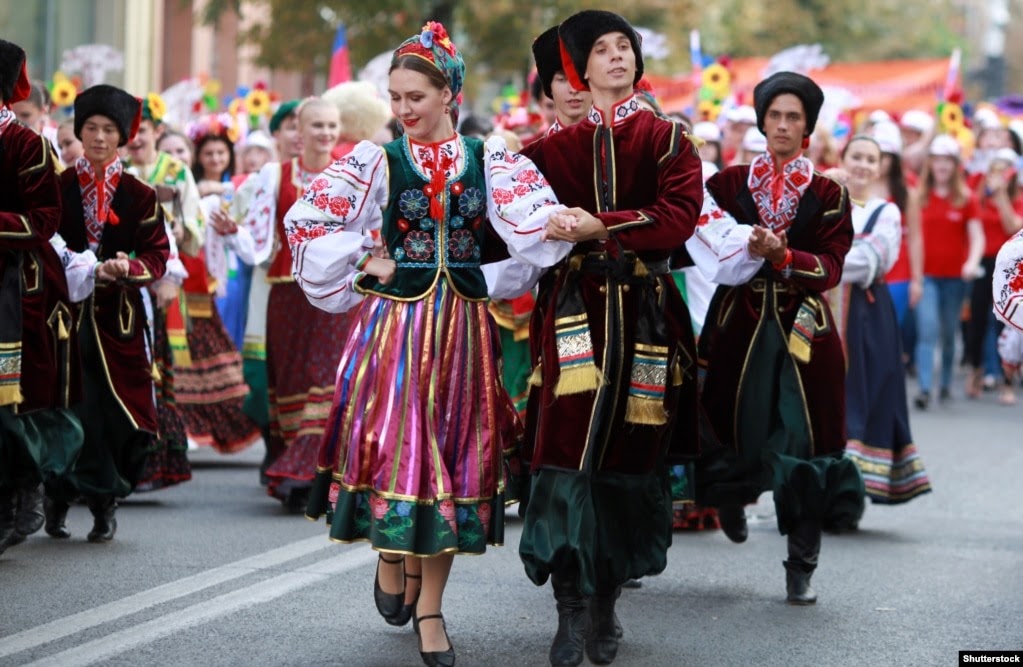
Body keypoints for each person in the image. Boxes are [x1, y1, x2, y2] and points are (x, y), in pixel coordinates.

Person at [287, 21, 570, 667]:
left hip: (464, 333)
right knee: (396, 454)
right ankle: (392, 550)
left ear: (449, 94)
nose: (403, 109)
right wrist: (367, 257)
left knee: (452, 460)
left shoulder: (489, 158)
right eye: (396, 96)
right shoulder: (375, 160)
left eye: (415, 95)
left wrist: (565, 224)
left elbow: (531, 227)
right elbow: (307, 220)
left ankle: (432, 610)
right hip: (397, 330)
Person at [518, 11, 703, 665]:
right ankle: (569, 608)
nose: (617, 56)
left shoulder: (666, 139)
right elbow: (506, 217)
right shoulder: (542, 154)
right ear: (579, 70)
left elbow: (677, 219)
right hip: (572, 314)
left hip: (644, 318)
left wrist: (600, 225)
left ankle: (605, 602)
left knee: (631, 451)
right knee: (565, 446)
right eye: (601, 49)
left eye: (625, 45)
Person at [687, 71, 864, 605]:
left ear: (807, 126)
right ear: (761, 122)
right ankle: (731, 499)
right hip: (737, 326)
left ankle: (801, 562)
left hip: (805, 336)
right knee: (731, 423)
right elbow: (704, 236)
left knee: (804, 441)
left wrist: (783, 257)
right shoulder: (727, 185)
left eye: (793, 117)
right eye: (775, 116)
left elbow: (832, 268)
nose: (783, 125)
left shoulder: (831, 193)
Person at [50, 84, 170, 541]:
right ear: (79, 132)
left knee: (115, 410)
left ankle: (105, 502)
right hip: (63, 318)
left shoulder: (140, 193)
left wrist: (129, 267)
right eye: (91, 129)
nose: (98, 137)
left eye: (108, 130)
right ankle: (57, 496)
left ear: (123, 137)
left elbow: (157, 253)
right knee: (65, 405)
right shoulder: (57, 187)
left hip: (118, 320)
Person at [228, 98, 353, 509]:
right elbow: (250, 228)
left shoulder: (351, 175)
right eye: (317, 125)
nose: (325, 134)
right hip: (287, 292)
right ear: (299, 130)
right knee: (291, 379)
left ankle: (315, 472)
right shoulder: (273, 175)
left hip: (334, 293)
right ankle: (297, 470)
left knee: (328, 378)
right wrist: (233, 229)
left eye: (331, 126)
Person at [0, 39, 84, 556]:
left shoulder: (27, 145)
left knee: (10, 403)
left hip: (14, 285)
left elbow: (45, 220)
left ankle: (23, 493)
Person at [826, 136, 931, 515]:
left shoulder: (885, 212)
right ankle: (814, 487)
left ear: (881, 165)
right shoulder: (824, 198)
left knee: (864, 391)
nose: (863, 166)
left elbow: (872, 262)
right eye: (857, 157)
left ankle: (848, 494)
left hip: (865, 317)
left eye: (871, 159)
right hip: (822, 312)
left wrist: (822, 259)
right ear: (843, 158)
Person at [913, 134, 984, 408]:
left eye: (947, 161)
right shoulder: (918, 196)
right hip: (926, 277)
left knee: (949, 331)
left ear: (955, 166)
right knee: (928, 329)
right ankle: (924, 388)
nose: (942, 166)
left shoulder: (965, 198)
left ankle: (944, 385)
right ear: (930, 164)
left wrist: (971, 262)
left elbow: (976, 236)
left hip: (955, 278)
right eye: (937, 160)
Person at [965, 148, 1023, 404]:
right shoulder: (979, 197)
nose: (998, 176)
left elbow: (1013, 226)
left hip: (1010, 267)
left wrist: (1001, 196)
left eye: (1004, 171)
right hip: (984, 262)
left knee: (1007, 323)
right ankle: (976, 370)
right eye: (994, 170)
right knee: (977, 320)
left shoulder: (1017, 198)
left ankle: (1007, 381)